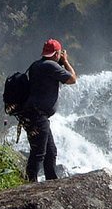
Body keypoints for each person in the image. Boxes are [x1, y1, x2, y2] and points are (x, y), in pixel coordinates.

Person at [20, 38, 77, 182]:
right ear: (57, 53)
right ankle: (29, 184)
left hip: (32, 114)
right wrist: (65, 61)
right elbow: (72, 79)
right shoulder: (52, 66)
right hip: (38, 115)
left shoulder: (36, 65)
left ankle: (51, 181)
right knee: (39, 152)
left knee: (50, 151)